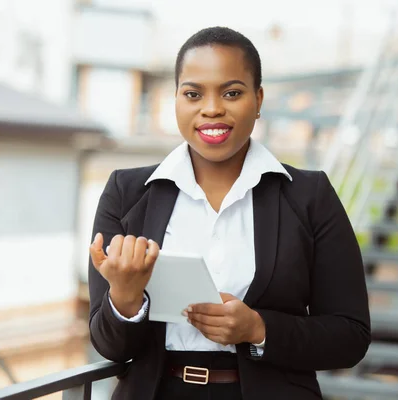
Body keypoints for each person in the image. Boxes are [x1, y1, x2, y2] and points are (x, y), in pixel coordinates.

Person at [87, 26, 370, 400]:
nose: (211, 108)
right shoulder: (126, 193)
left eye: (232, 93)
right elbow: (111, 347)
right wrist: (125, 298)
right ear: (176, 99)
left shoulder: (309, 196)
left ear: (258, 98)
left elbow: (350, 336)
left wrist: (258, 329)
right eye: (193, 93)